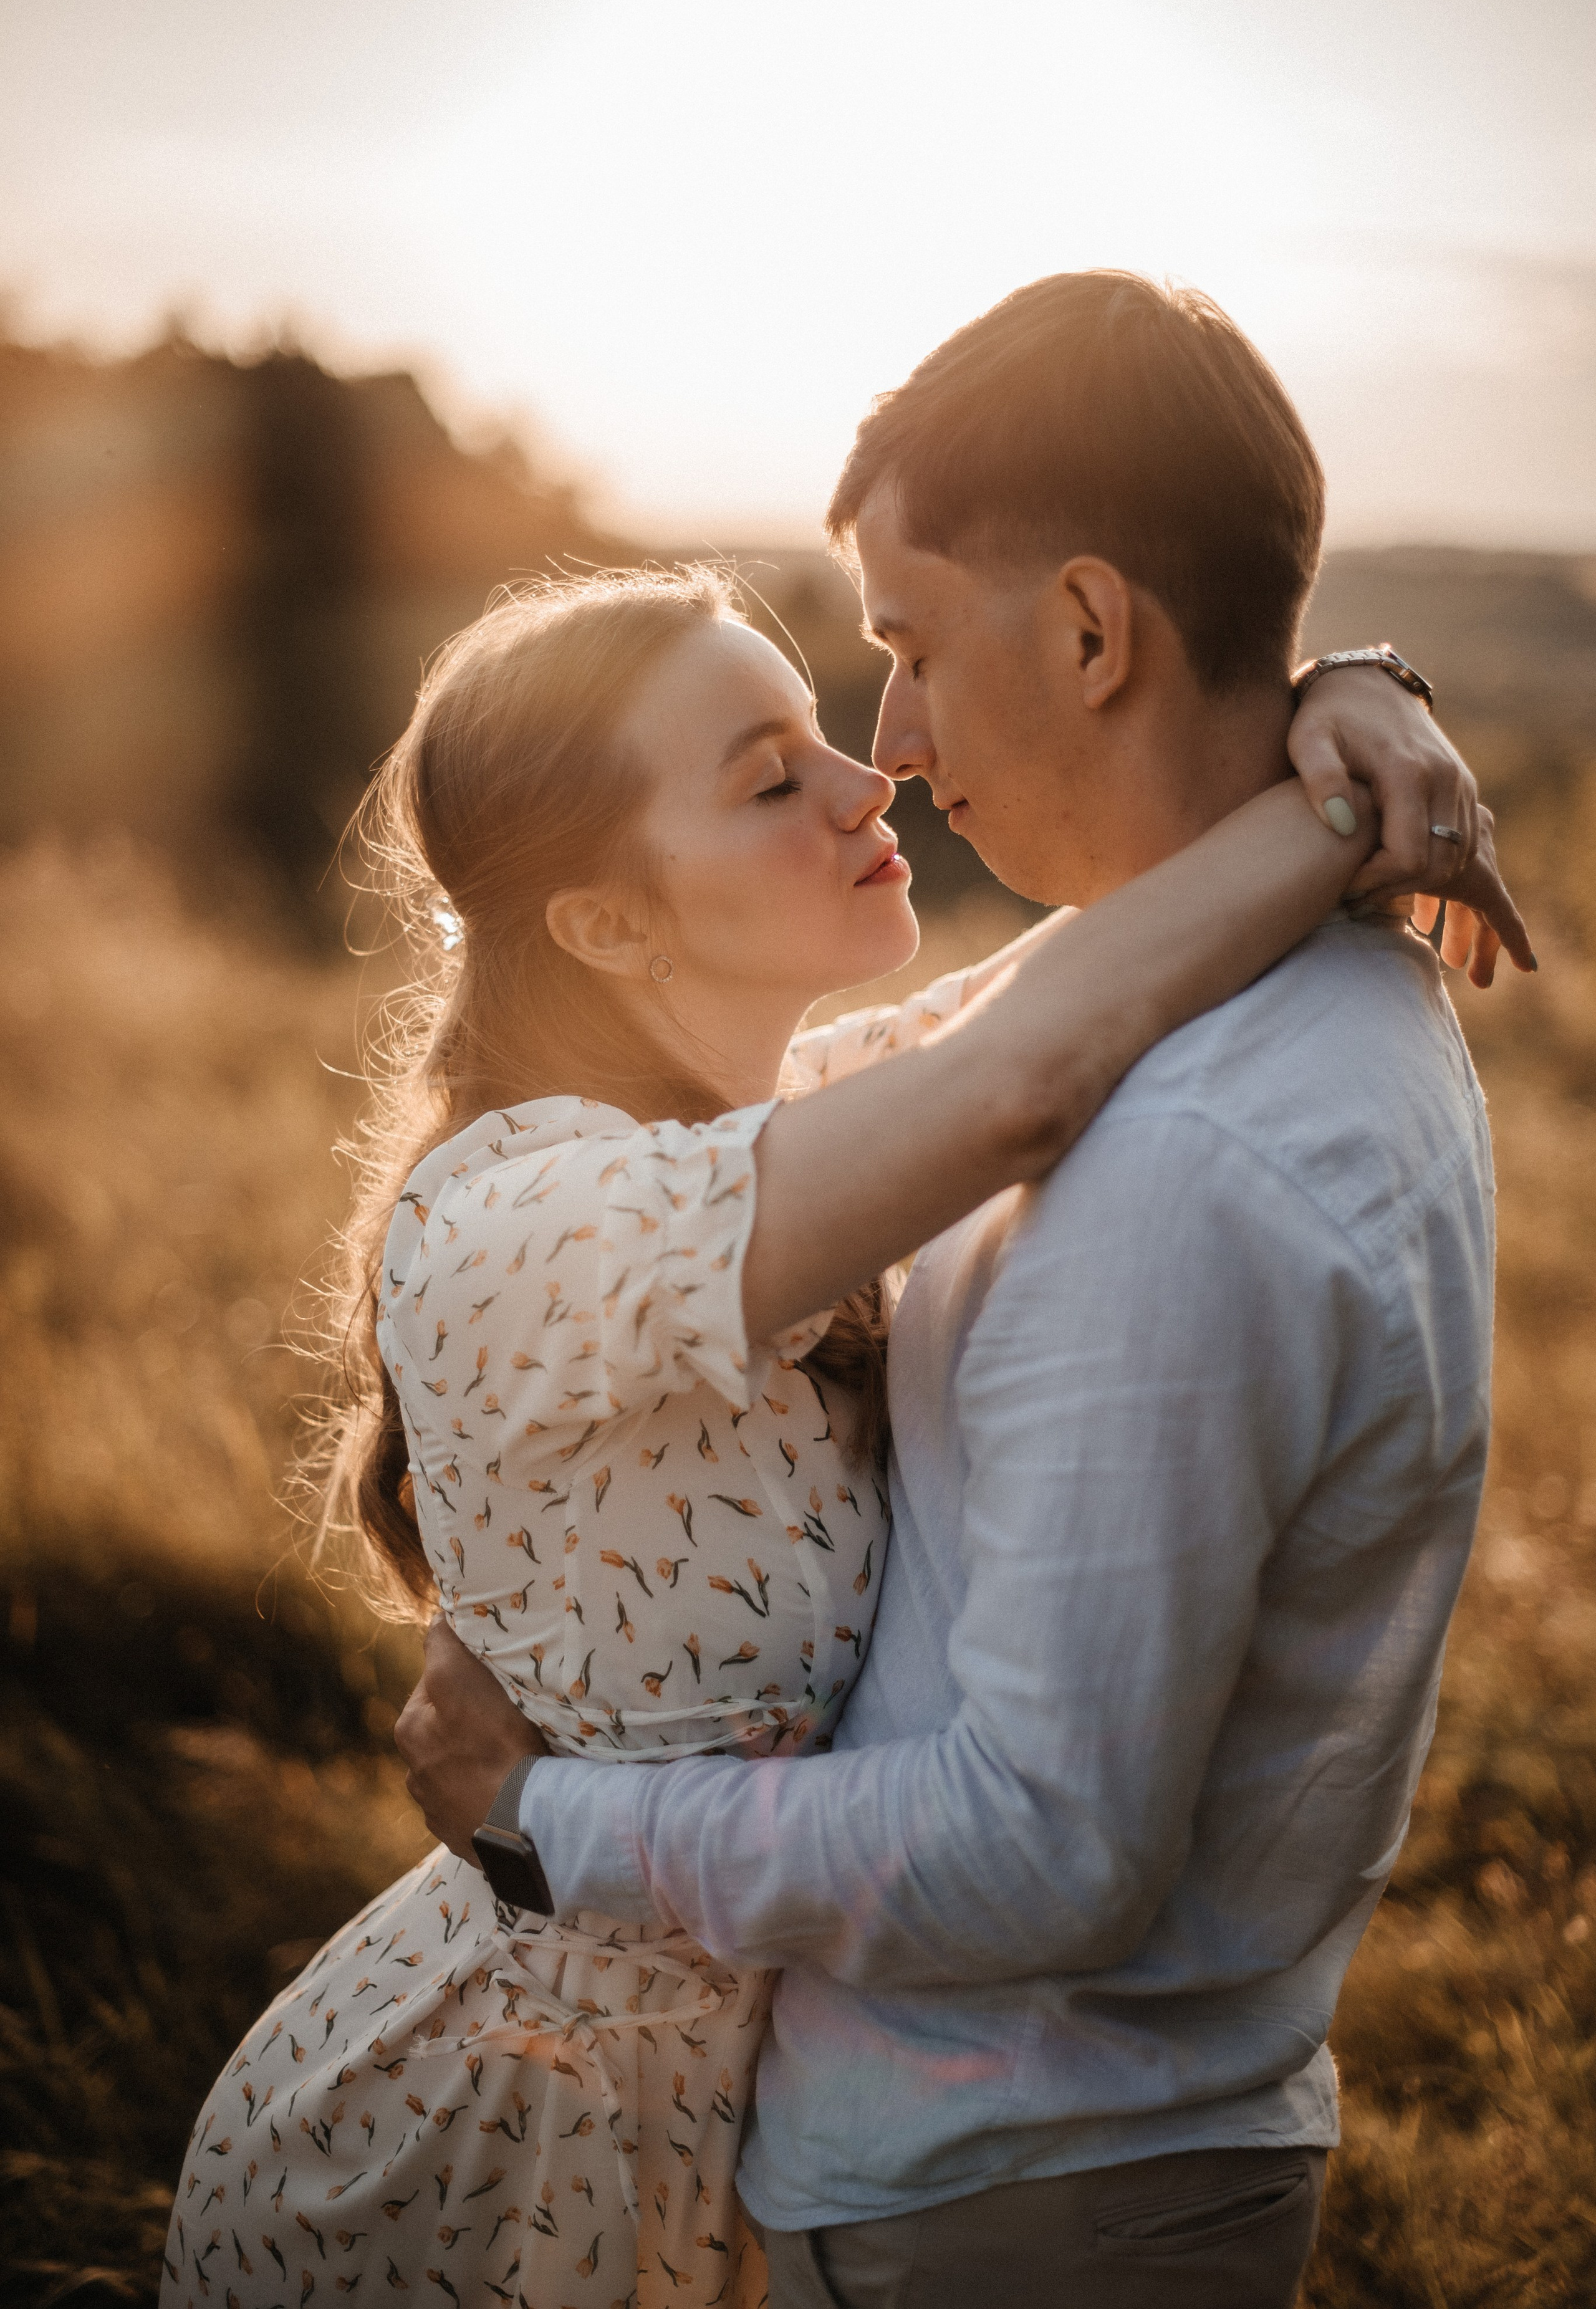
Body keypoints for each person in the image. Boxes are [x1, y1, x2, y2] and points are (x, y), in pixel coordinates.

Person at [392, 275, 1532, 2309]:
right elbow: (1015, 1050)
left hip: (1013, 2180)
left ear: (1092, 631)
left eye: (902, 653)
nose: (885, 758)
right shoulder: (617, 1198)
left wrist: (556, 1816)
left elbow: (1039, 1848)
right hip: (546, 2162)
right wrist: (1341, 749)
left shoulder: (1178, 1149)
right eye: (778, 770)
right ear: (604, 918)